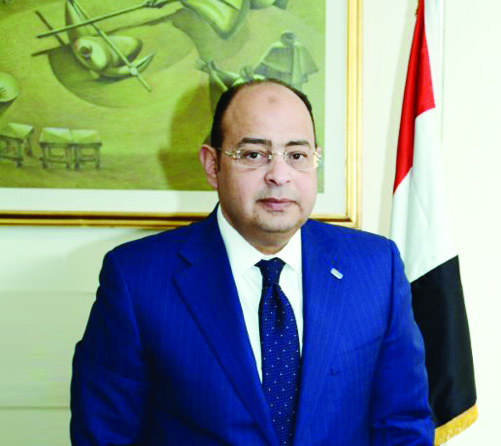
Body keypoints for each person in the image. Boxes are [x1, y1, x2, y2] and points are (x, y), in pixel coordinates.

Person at [70, 80, 434, 445]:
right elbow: (104, 437)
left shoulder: (376, 269)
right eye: (254, 154)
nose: (279, 175)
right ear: (212, 165)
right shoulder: (136, 280)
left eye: (297, 155)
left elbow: (403, 425)